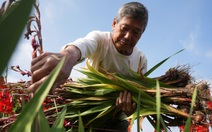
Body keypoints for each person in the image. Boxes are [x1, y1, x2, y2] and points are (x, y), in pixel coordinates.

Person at [29, 1, 148, 132]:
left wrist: (131, 109)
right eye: (124, 28)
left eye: (136, 33)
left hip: (116, 122)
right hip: (85, 113)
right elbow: (82, 46)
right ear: (114, 23)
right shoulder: (101, 39)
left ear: (142, 34)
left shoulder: (141, 60)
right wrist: (67, 57)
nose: (128, 36)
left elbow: (139, 101)